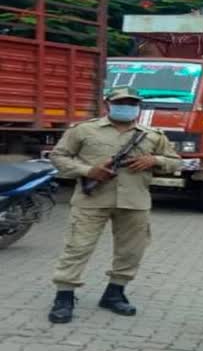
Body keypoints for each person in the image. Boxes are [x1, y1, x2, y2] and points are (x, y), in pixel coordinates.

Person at [47, 87, 182, 323]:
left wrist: (155, 160)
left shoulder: (152, 135)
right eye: (121, 102)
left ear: (138, 106)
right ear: (107, 104)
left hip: (135, 201)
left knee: (131, 251)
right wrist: (89, 171)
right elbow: (58, 157)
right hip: (92, 199)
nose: (127, 106)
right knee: (77, 247)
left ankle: (115, 293)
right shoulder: (84, 130)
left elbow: (175, 162)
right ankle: (64, 297)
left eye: (132, 103)